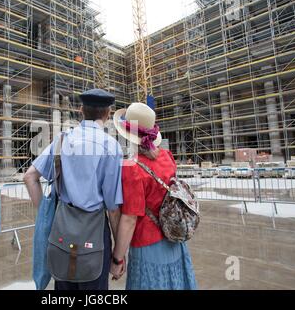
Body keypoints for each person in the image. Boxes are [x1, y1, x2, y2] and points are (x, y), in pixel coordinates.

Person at [23, 89, 123, 290]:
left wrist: (46, 215)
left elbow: (30, 177)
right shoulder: (112, 147)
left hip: (62, 229)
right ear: (108, 113)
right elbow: (113, 209)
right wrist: (118, 257)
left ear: (81, 110)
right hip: (94, 231)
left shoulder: (62, 139)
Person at [110, 102, 197, 290]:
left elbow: (129, 219)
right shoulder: (167, 156)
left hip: (147, 244)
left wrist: (117, 258)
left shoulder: (132, 168)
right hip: (173, 236)